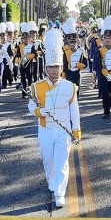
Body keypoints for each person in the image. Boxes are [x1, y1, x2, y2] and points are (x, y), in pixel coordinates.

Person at [28, 28, 81, 209]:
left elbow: (75, 111)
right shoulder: (37, 87)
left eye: (57, 67)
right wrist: (38, 112)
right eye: (51, 67)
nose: (54, 70)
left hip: (63, 130)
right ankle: (51, 179)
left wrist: (76, 131)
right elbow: (30, 106)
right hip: (45, 129)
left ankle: (60, 192)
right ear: (46, 68)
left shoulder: (70, 87)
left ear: (61, 67)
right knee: (47, 159)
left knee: (62, 161)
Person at [93, 16, 111, 119]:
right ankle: (106, 111)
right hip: (102, 75)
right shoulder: (98, 50)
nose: (108, 40)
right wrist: (102, 74)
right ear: (103, 38)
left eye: (110, 38)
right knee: (105, 93)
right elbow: (97, 64)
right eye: (106, 38)